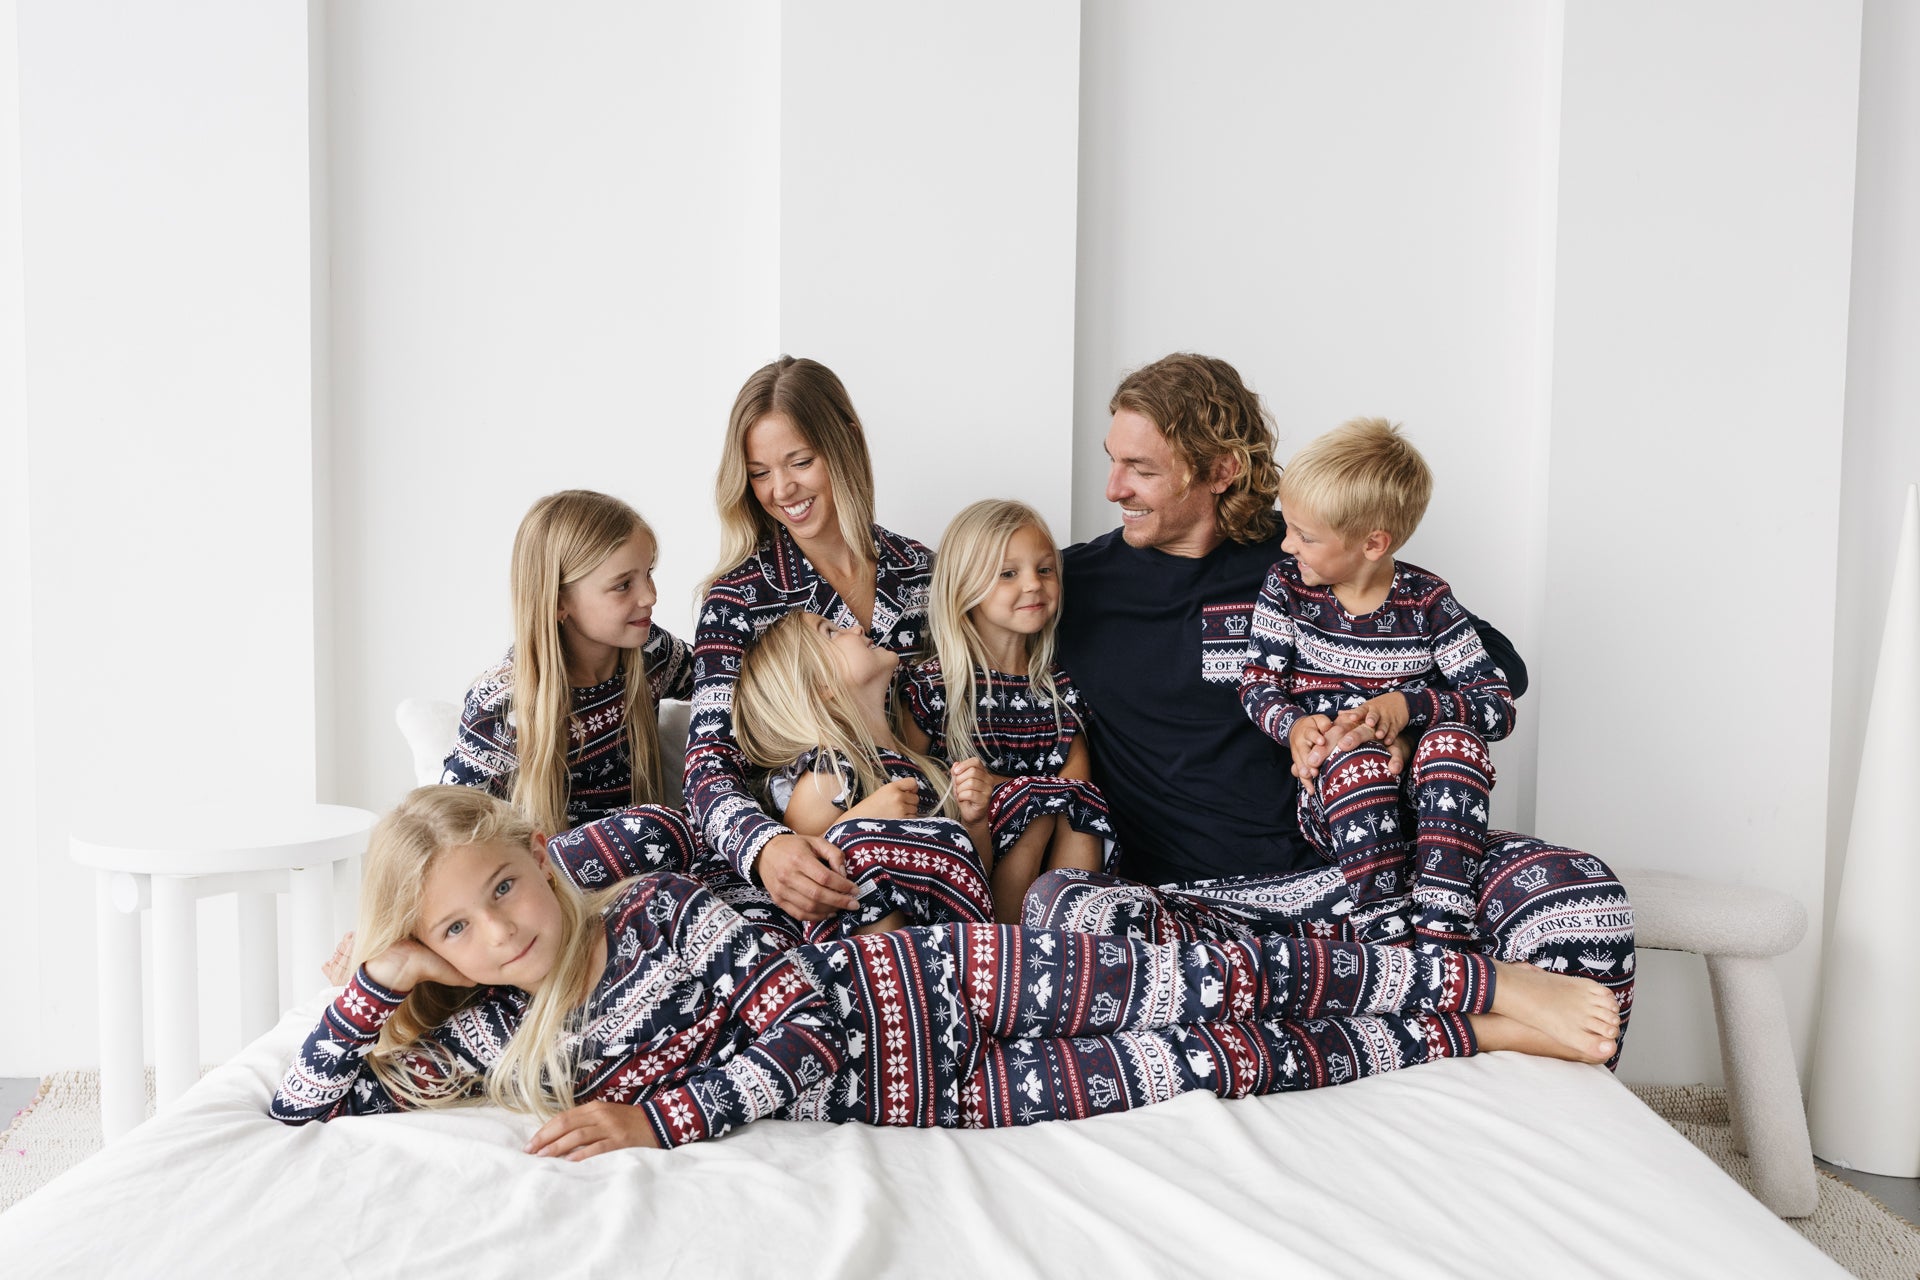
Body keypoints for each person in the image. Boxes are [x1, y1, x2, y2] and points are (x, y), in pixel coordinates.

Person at [270, 786, 1624, 1154]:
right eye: (458, 929)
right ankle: (1466, 1033)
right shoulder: (495, 1037)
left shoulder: (662, 910)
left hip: (941, 981)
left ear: (537, 855)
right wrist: (379, 978)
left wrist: (652, 1117)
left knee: (1219, 977)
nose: (500, 931)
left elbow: (800, 1031)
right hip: (939, 1099)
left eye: (503, 888)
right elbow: (303, 1102)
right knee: (1220, 1060)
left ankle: (1472, 981)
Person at [1036, 354, 1635, 1061]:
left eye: (1140, 468)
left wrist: (1401, 720)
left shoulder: (1311, 555)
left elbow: (1500, 669)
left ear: (1222, 469)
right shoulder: (1071, 586)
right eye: (1112, 461)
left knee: (1580, 894)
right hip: (1194, 911)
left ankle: (1341, 1018)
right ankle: (1473, 1006)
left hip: (1358, 886)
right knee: (1066, 912)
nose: (1113, 488)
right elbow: (958, 625)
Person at [1239, 418, 1514, 948]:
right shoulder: (1287, 588)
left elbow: (1497, 707)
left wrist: (1407, 709)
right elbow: (1257, 684)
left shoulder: (1428, 600)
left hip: (1428, 808)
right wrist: (1295, 727)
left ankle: (1444, 930)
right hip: (1339, 803)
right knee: (1356, 758)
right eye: (1289, 528)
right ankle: (1384, 936)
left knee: (1456, 744)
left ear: (1372, 543)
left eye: (1305, 536)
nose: (1287, 544)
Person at [685, 357, 933, 931]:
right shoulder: (738, 599)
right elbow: (705, 765)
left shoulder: (922, 572)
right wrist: (765, 848)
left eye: (800, 462)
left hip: (926, 836)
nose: (782, 490)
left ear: (846, 441)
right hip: (804, 871)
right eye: (759, 473)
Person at [900, 500, 1115, 922]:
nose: (1034, 585)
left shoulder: (1059, 689)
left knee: (1075, 803)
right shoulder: (933, 687)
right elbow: (905, 781)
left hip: (1051, 863)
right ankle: (1008, 941)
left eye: (1045, 569)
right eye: (1008, 574)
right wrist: (1002, 792)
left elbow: (1077, 787)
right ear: (964, 587)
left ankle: (1071, 929)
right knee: (1032, 802)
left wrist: (1022, 790)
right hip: (962, 858)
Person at [440, 490, 694, 834]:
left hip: (642, 855)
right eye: (623, 585)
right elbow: (452, 830)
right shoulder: (501, 704)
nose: (650, 596)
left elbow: (727, 684)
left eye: (648, 573)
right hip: (551, 859)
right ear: (559, 603)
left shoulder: (653, 653)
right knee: (663, 830)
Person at [732, 609, 995, 940]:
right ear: (821, 685)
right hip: (875, 959)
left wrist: (974, 822)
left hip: (954, 941)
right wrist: (861, 820)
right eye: (831, 632)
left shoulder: (923, 767)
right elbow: (806, 876)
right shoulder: (830, 775)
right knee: (859, 845)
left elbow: (972, 878)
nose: (856, 628)